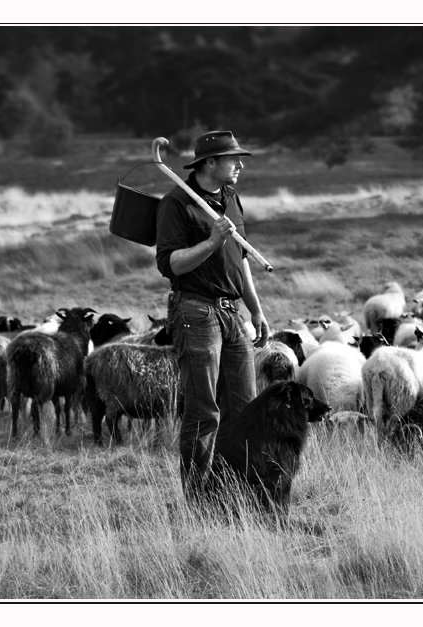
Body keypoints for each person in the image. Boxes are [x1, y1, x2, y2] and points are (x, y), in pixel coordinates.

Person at [155, 130, 270, 505]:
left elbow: (242, 261)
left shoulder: (232, 198)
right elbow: (170, 264)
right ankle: (199, 501)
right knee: (205, 412)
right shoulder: (177, 203)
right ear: (209, 163)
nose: (239, 165)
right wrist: (211, 242)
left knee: (245, 408)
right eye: (232, 158)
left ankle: (239, 490)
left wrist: (255, 309)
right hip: (195, 311)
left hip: (232, 311)